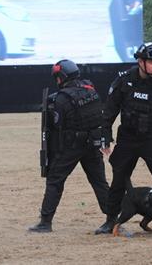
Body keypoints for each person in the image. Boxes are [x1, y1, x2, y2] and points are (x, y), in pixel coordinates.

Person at [94, 42, 152, 235]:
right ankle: (111, 221)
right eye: (151, 61)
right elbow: (109, 112)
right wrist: (106, 137)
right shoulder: (124, 80)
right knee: (118, 181)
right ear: (141, 61)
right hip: (127, 139)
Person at [29, 59, 112, 233]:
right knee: (99, 182)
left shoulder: (61, 99)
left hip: (70, 146)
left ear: (62, 77)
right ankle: (112, 220)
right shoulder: (91, 91)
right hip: (92, 145)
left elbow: (57, 125)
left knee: (55, 181)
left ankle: (45, 222)